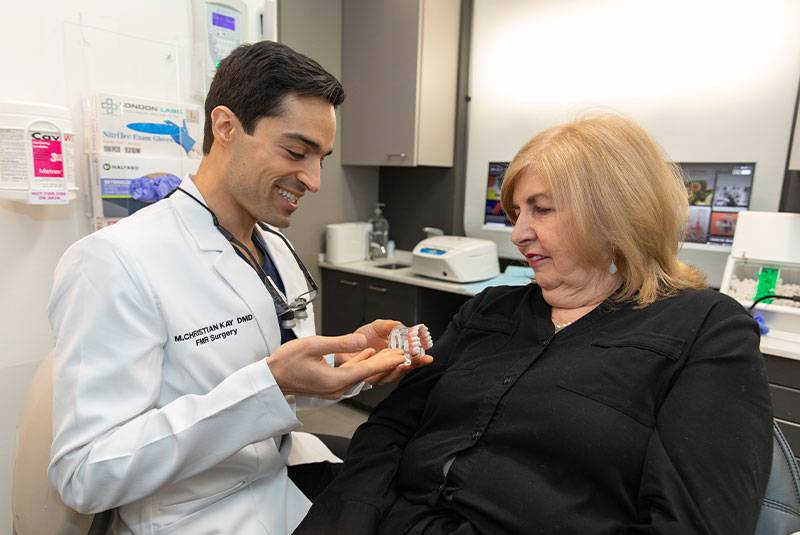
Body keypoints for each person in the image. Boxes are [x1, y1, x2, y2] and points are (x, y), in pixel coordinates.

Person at [295, 114, 774, 534]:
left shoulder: (706, 328)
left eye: (541, 209)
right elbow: (390, 428)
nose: (519, 232)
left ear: (615, 215)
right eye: (517, 211)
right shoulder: (491, 309)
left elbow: (694, 522)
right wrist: (349, 520)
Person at [47, 41, 430, 535]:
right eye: (296, 152)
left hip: (280, 471)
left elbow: (278, 371)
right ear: (225, 127)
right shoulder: (113, 262)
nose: (313, 180)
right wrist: (272, 386)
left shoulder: (271, 246)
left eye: (322, 159)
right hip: (196, 513)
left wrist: (348, 363)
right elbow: (85, 476)